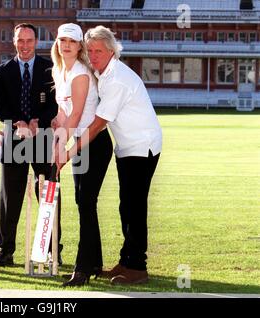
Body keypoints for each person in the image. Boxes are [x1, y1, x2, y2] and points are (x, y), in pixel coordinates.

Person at [57, 25, 162, 285]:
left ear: (112, 51)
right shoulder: (101, 71)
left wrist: (67, 152)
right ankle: (127, 261)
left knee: (134, 206)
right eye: (90, 50)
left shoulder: (116, 78)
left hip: (142, 145)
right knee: (126, 204)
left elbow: (96, 125)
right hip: (126, 146)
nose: (93, 56)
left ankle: (137, 267)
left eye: (99, 51)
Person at [0, 23, 62, 266]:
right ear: (14, 42)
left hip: (43, 137)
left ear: (36, 42)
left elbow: (56, 105)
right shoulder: (2, 71)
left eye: (29, 40)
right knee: (10, 198)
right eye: (20, 40)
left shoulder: (50, 69)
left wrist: (38, 122)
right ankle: (5, 251)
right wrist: (18, 121)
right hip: (13, 139)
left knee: (48, 195)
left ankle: (53, 250)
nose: (24, 45)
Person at [50, 23, 113, 287]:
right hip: (79, 141)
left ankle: (83, 269)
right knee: (83, 202)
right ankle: (94, 262)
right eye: (62, 40)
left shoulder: (80, 73)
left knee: (85, 202)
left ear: (79, 47)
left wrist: (63, 151)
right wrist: (57, 143)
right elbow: (64, 113)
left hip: (94, 144)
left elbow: (76, 115)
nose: (66, 45)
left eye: (72, 42)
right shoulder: (59, 70)